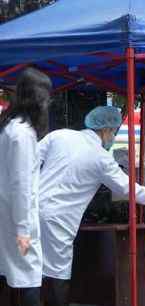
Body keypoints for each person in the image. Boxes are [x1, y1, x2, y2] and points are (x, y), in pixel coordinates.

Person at [38, 106, 145, 306]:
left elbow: (30, 161)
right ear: (106, 130)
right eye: (114, 132)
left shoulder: (59, 136)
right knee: (57, 274)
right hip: (59, 220)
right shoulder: (101, 157)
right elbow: (127, 188)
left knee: (30, 273)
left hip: (30, 210)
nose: (113, 137)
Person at [0, 68, 51, 306]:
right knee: (29, 277)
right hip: (18, 216)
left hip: (7, 213)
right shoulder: (22, 135)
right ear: (37, 99)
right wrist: (22, 229)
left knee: (8, 272)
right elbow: (21, 184)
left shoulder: (9, 127)